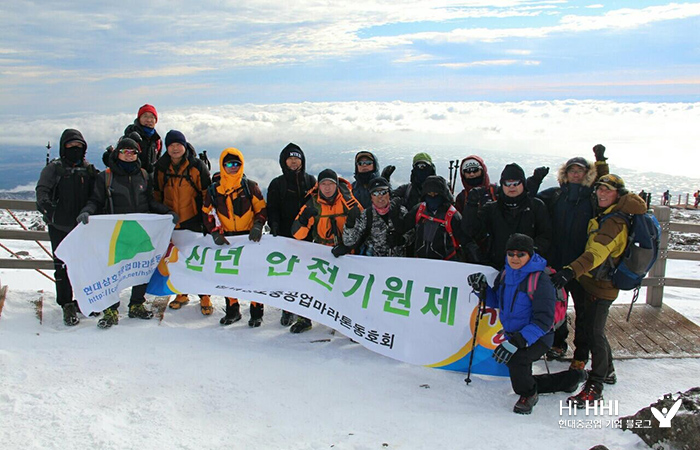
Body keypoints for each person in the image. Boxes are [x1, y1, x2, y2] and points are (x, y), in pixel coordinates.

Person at [549, 174, 647, 407]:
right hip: (594, 283)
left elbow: (596, 255)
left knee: (594, 333)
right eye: (600, 189)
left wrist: (569, 271)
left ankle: (596, 384)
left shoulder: (614, 223)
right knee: (594, 329)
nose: (601, 193)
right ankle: (608, 370)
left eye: (608, 190)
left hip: (601, 288)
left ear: (618, 194)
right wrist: (600, 161)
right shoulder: (611, 212)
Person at [467, 234, 587, 414]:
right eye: (511, 253)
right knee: (517, 370)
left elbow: (544, 320)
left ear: (530, 255)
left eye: (520, 254)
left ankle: (529, 393)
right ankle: (570, 380)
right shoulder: (506, 274)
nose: (515, 258)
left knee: (517, 361)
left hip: (540, 335)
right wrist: (481, 289)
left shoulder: (540, 280)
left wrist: (518, 342)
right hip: (514, 334)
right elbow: (497, 301)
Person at [77, 136, 176, 329]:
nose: (129, 155)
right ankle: (111, 308)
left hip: (139, 231)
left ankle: (136, 304)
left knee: (142, 267)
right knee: (114, 271)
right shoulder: (106, 177)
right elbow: (96, 200)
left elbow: (149, 202)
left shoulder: (144, 175)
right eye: (125, 151)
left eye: (133, 152)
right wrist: (87, 211)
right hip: (115, 232)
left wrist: (167, 213)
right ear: (118, 153)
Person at [536, 144, 609, 362]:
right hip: (557, 262)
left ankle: (581, 353)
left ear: (588, 174)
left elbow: (609, 187)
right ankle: (558, 344)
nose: (576, 174)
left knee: (584, 312)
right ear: (565, 174)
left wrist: (601, 161)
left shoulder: (594, 198)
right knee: (556, 306)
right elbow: (529, 199)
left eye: (580, 171)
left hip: (582, 266)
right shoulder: (556, 195)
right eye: (572, 170)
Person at [36, 129, 98, 326]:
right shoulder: (54, 169)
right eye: (71, 146)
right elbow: (42, 193)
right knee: (62, 267)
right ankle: (66, 304)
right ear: (64, 147)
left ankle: (83, 300)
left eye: (79, 146)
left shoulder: (88, 170)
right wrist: (53, 214)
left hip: (82, 227)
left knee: (83, 266)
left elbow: (95, 196)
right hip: (59, 227)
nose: (75, 149)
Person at [202, 148, 267, 327]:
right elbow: (207, 213)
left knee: (253, 276)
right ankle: (232, 311)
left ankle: (256, 312)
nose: (233, 167)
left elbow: (261, 208)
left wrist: (258, 225)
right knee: (229, 278)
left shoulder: (250, 186)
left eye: (236, 163)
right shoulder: (214, 190)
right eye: (229, 164)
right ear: (222, 166)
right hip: (227, 240)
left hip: (249, 238)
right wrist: (215, 232)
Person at [291, 168, 362, 333]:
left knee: (347, 289)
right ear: (318, 186)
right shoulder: (312, 204)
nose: (327, 188)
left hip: (346, 252)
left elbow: (363, 226)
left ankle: (349, 322)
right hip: (322, 251)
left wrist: (349, 246)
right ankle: (304, 318)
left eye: (331, 183)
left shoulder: (349, 201)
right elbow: (297, 235)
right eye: (324, 184)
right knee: (311, 285)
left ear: (337, 185)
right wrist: (303, 219)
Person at [153, 130, 213, 315]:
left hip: (194, 222)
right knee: (177, 260)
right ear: (167, 147)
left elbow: (206, 193)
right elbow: (156, 193)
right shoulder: (162, 167)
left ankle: (205, 295)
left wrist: (206, 219)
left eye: (179, 144)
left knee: (197, 260)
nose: (175, 148)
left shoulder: (197, 166)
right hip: (171, 223)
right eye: (171, 145)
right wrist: (161, 215)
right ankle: (182, 293)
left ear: (184, 145)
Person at [463, 163, 552, 270]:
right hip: (497, 267)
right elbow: (472, 231)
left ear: (523, 184)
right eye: (507, 183)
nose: (511, 187)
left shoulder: (536, 206)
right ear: (502, 185)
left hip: (528, 267)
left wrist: (530, 252)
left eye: (516, 183)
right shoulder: (491, 209)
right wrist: (471, 205)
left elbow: (545, 235)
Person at [266, 143, 317, 326]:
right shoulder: (277, 183)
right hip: (285, 236)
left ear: (302, 161)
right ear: (284, 161)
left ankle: (304, 311)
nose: (294, 161)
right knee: (287, 275)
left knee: (305, 275)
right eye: (290, 158)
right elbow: (271, 208)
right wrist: (274, 225)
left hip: (308, 238)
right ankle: (287, 308)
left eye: (297, 158)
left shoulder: (311, 181)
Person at [341, 177, 411, 257]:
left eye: (383, 192)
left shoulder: (401, 211)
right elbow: (349, 242)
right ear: (371, 197)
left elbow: (412, 234)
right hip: (374, 265)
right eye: (375, 193)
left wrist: (402, 240)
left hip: (399, 264)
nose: (380, 196)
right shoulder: (366, 215)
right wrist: (350, 225)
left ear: (389, 194)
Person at [406, 175, 466, 262]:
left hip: (446, 264)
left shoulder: (453, 216)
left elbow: (465, 241)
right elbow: (404, 226)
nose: (432, 197)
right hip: (420, 262)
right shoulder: (419, 210)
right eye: (429, 194)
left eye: (436, 194)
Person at [123, 104, 162, 173]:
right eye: (145, 116)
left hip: (149, 179)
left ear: (156, 120)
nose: (149, 120)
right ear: (139, 119)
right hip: (132, 178)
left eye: (152, 117)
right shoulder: (131, 136)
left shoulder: (157, 140)